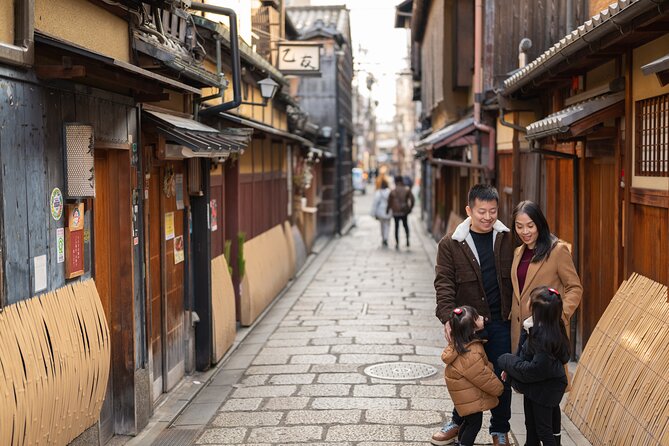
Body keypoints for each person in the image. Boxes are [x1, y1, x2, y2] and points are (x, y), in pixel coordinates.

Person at [433, 184, 514, 446]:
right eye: (482, 211)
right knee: (466, 375)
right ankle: (459, 422)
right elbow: (443, 283)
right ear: (469, 210)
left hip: (500, 321)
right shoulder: (451, 243)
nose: (488, 217)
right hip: (467, 326)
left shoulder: (507, 239)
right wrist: (448, 317)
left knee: (500, 374)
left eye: (493, 211)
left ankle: (499, 429)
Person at [510, 200, 582, 445]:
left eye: (530, 225)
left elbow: (574, 288)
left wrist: (557, 317)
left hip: (548, 337)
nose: (525, 231)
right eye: (519, 226)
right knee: (532, 393)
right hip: (525, 335)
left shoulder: (557, 250)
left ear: (540, 223)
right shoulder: (519, 251)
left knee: (548, 395)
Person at [498, 286, 570, 446]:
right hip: (536, 388)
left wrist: (506, 361)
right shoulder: (537, 327)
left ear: (538, 310)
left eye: (530, 300)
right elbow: (522, 354)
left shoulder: (544, 339)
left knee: (544, 431)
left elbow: (532, 370)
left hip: (544, 391)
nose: (527, 301)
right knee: (531, 427)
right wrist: (510, 370)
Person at [438, 305, 504, 446]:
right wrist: (499, 388)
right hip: (470, 399)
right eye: (478, 317)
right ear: (472, 328)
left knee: (468, 422)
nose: (482, 318)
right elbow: (482, 376)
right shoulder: (471, 352)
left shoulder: (459, 344)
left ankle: (461, 442)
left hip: (464, 397)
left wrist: (489, 366)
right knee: (474, 425)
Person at [387, 175, 415, 249]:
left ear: (396, 181)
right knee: (405, 226)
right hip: (404, 211)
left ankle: (397, 243)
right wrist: (410, 208)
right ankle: (407, 240)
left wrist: (388, 209)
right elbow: (412, 200)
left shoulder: (393, 191)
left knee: (396, 227)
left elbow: (389, 202)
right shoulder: (407, 190)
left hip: (395, 212)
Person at [370, 179, 392, 247]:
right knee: (387, 225)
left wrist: (373, 213)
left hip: (380, 211)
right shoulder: (390, 192)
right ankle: (386, 238)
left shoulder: (378, 193)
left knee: (382, 225)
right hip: (388, 211)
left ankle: (383, 238)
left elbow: (375, 203)